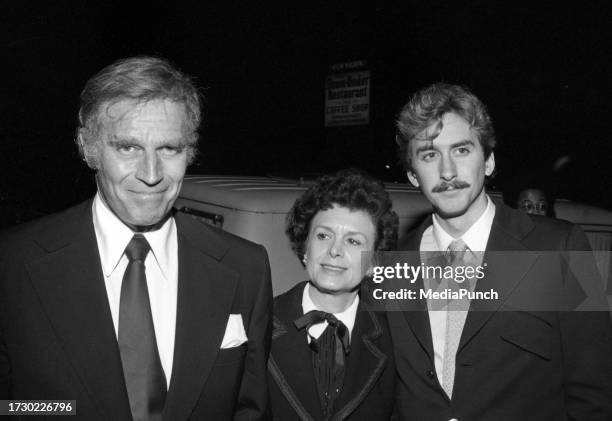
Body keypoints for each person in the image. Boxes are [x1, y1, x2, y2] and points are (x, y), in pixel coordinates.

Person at [0, 56, 272, 421]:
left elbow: (250, 411)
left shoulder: (245, 267)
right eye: (128, 147)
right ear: (89, 147)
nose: (151, 174)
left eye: (169, 149)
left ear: (190, 150)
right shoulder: (14, 264)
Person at [389, 82, 612, 420]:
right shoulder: (391, 270)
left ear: (489, 161)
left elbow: (595, 389)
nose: (447, 172)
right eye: (430, 155)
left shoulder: (564, 247)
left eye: (462, 150)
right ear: (412, 175)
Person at [267, 170, 398, 420]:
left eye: (354, 241)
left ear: (374, 262)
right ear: (305, 247)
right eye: (324, 236)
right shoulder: (260, 324)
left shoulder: (395, 338)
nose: (335, 250)